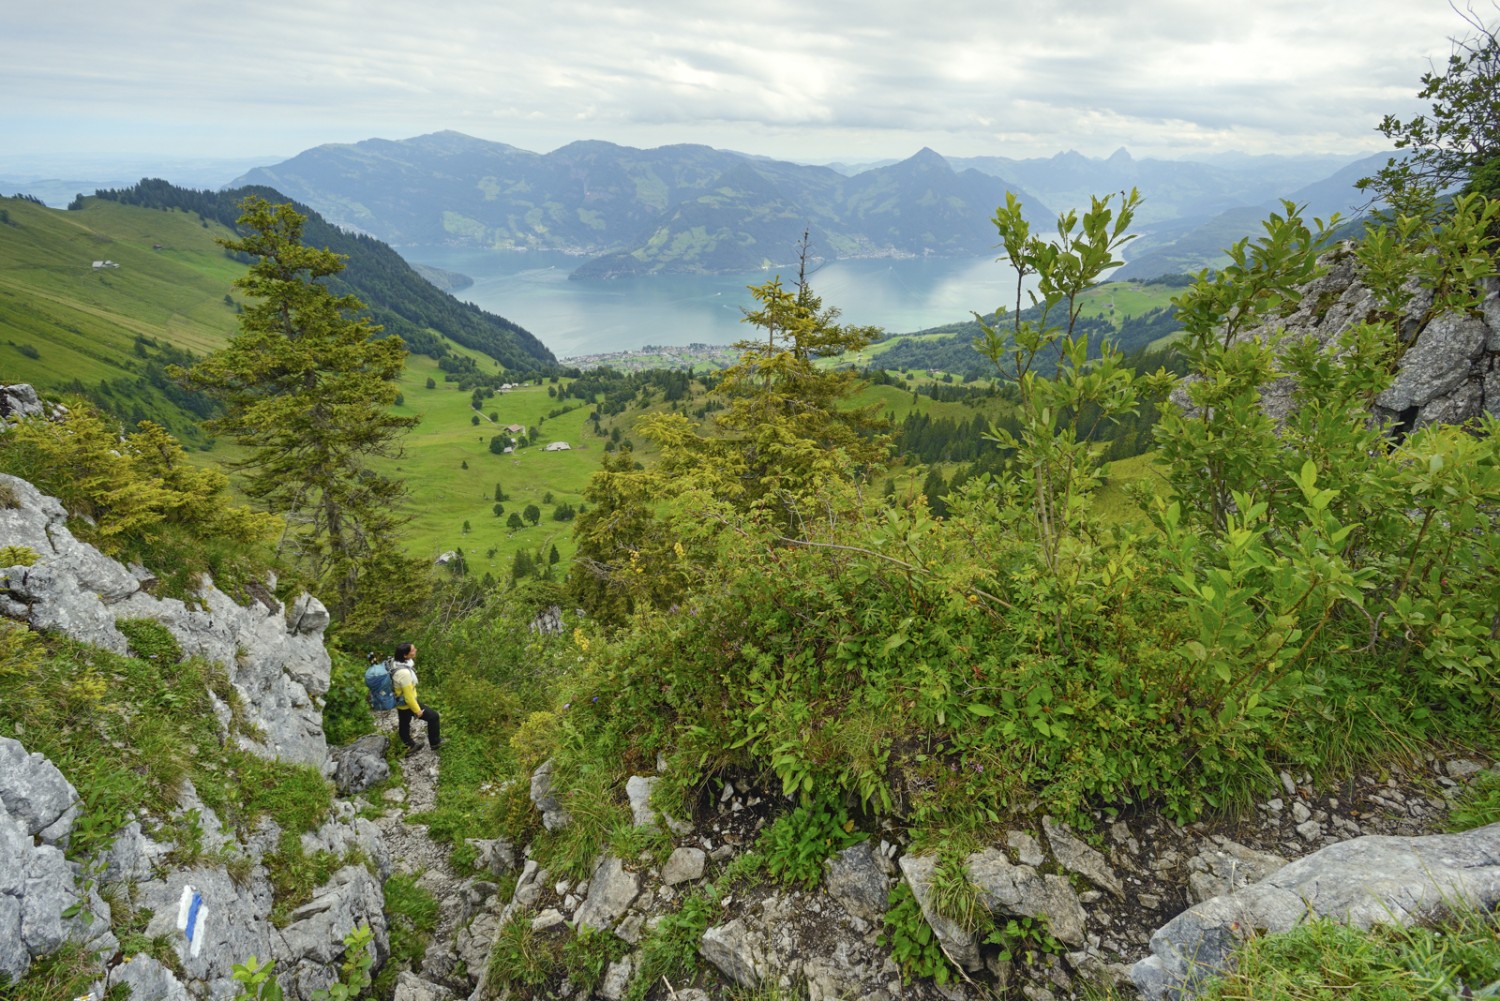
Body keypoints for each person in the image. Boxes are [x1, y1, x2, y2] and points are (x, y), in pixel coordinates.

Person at [391, 641, 441, 751]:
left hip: (399, 701)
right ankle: (435, 743)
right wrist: (417, 711)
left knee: (404, 723)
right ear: (405, 655)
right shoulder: (404, 673)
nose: (415, 650)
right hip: (406, 703)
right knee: (433, 717)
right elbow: (409, 697)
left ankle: (409, 745)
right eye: (413, 650)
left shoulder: (395, 662)